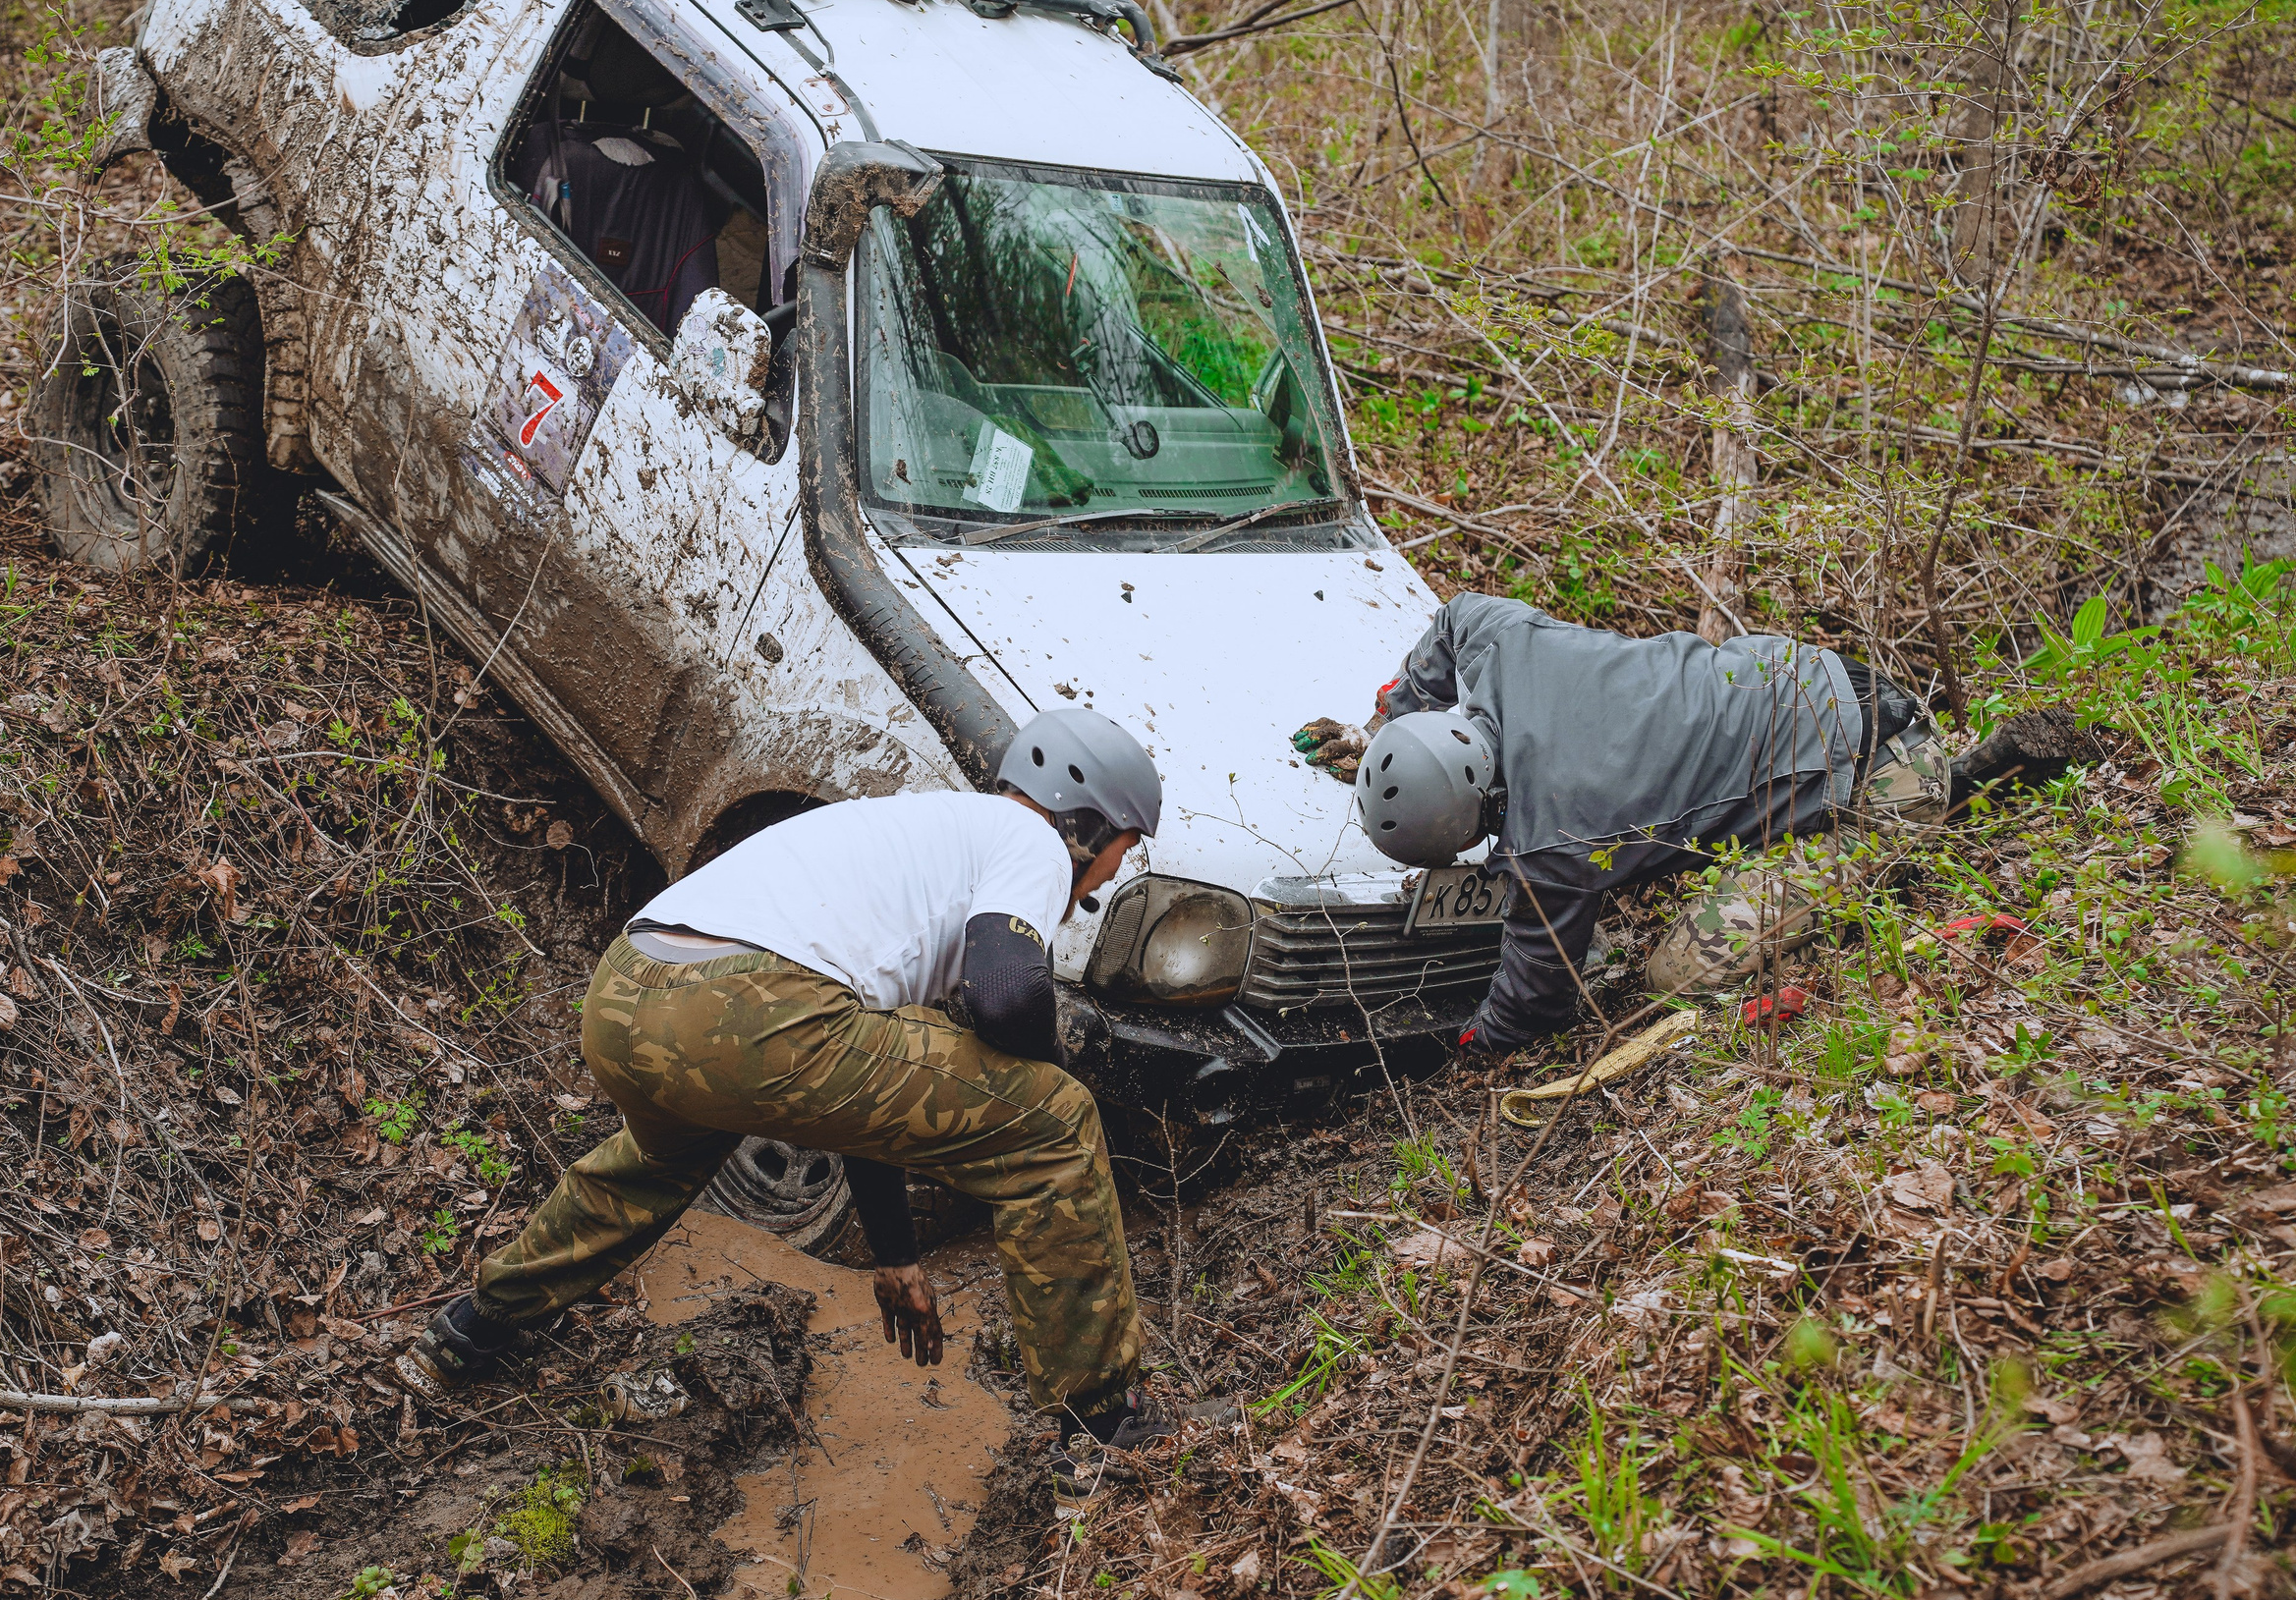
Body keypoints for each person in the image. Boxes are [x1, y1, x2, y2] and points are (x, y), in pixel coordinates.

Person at [397, 707, 1177, 1481]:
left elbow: (866, 1096)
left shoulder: (920, 831)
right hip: (742, 1008)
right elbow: (1007, 995)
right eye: (1122, 851)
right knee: (1057, 1120)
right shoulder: (1031, 843)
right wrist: (1039, 1076)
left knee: (651, 1165)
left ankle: (471, 1329)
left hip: (627, 993)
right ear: (1087, 822)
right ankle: (1104, 1424)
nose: (1108, 876)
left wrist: (897, 1255)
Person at [1295, 592, 1953, 1054]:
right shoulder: (1500, 644)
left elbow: (1536, 1003)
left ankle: (1853, 924)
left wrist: (1473, 1040)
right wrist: (1387, 722)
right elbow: (1455, 614)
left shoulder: (1552, 841)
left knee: (1679, 975)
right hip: (1828, 677)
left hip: (1888, 783)